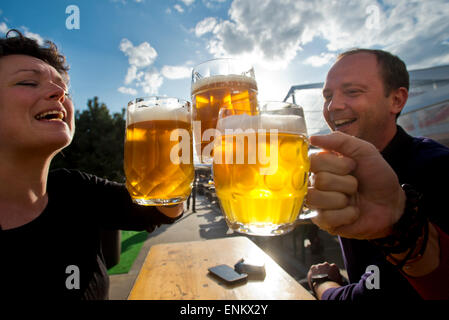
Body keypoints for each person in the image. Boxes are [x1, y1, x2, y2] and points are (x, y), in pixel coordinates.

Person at [0, 30, 184, 300]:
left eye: (64, 87)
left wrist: (179, 154)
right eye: (28, 82)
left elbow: (157, 210)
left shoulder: (75, 189)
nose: (60, 92)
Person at [306, 49, 449, 300]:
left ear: (396, 100)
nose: (333, 106)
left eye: (352, 92)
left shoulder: (435, 168)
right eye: (328, 96)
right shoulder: (344, 167)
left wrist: (322, 284)